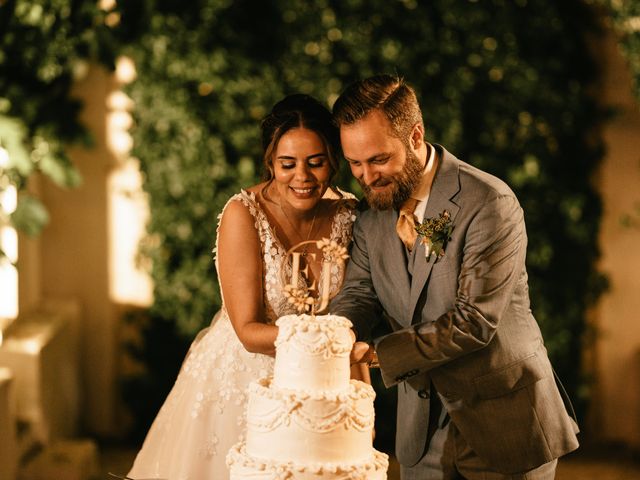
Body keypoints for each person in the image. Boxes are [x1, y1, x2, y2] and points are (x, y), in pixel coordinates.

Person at [329, 74, 580, 480]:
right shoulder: (371, 214)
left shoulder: (488, 202)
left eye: (378, 159)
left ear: (414, 136)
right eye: (354, 163)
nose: (367, 176)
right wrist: (338, 333)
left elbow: (473, 323)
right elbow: (360, 292)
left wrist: (376, 354)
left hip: (505, 424)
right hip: (422, 436)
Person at [127, 94, 362, 479]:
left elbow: (355, 313)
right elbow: (248, 332)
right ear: (270, 162)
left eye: (315, 163)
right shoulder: (244, 214)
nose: (302, 177)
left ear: (334, 160)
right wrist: (324, 346)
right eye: (287, 164)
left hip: (321, 387)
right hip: (246, 382)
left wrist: (355, 397)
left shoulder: (350, 214)